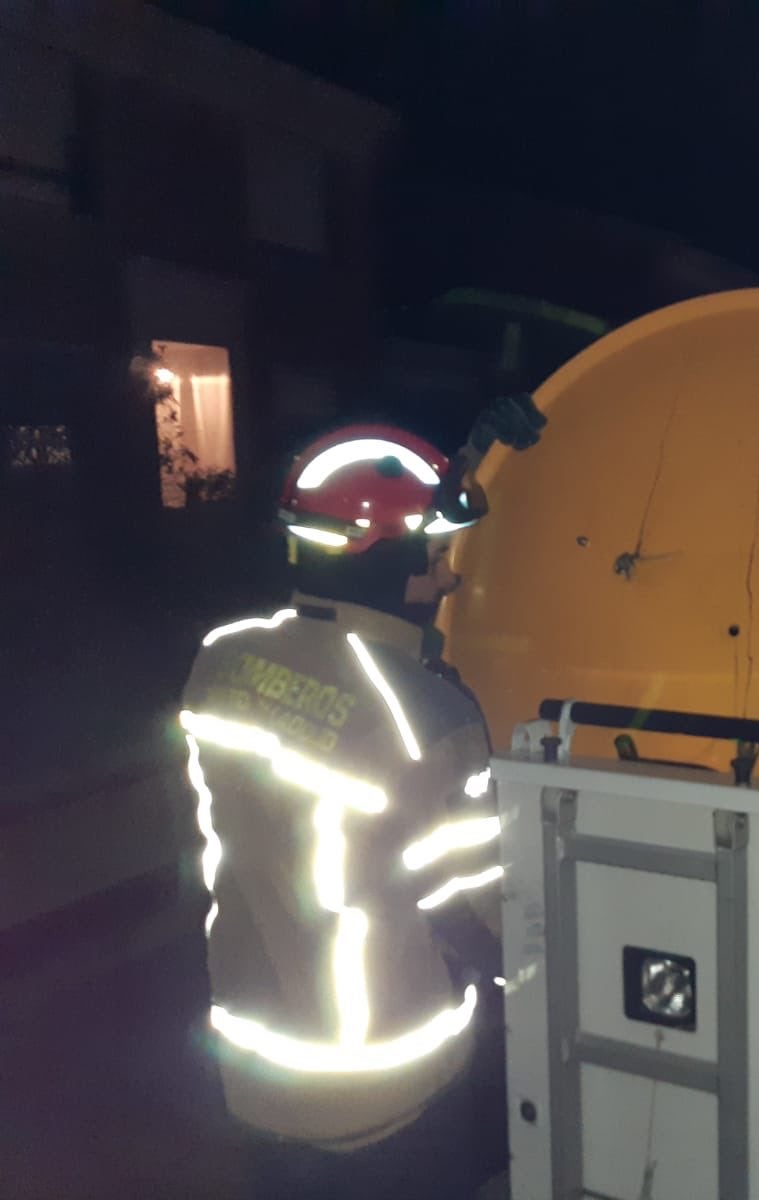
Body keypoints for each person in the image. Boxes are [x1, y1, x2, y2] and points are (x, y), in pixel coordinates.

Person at [179, 398, 545, 1199]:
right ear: (390, 562)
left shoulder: (222, 661)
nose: (452, 573)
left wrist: (471, 454)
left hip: (255, 1058)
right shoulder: (428, 718)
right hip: (387, 1082)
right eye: (437, 555)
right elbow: (478, 914)